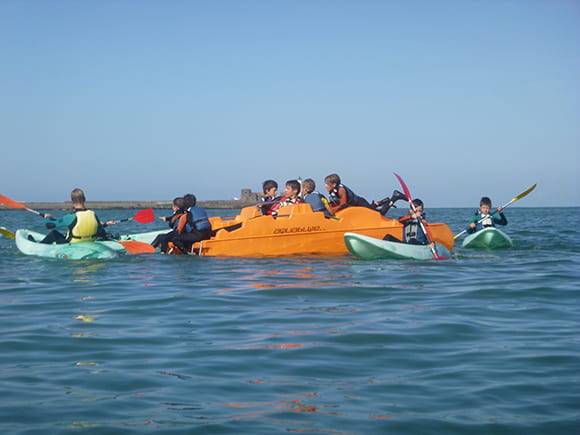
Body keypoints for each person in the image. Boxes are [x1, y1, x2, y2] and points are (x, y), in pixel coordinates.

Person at [38, 188, 108, 244]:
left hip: (72, 244)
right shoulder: (93, 214)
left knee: (54, 233)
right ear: (84, 199)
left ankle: (39, 245)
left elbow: (49, 225)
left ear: (72, 201)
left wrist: (47, 217)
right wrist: (105, 224)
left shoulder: (71, 217)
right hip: (89, 243)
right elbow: (100, 229)